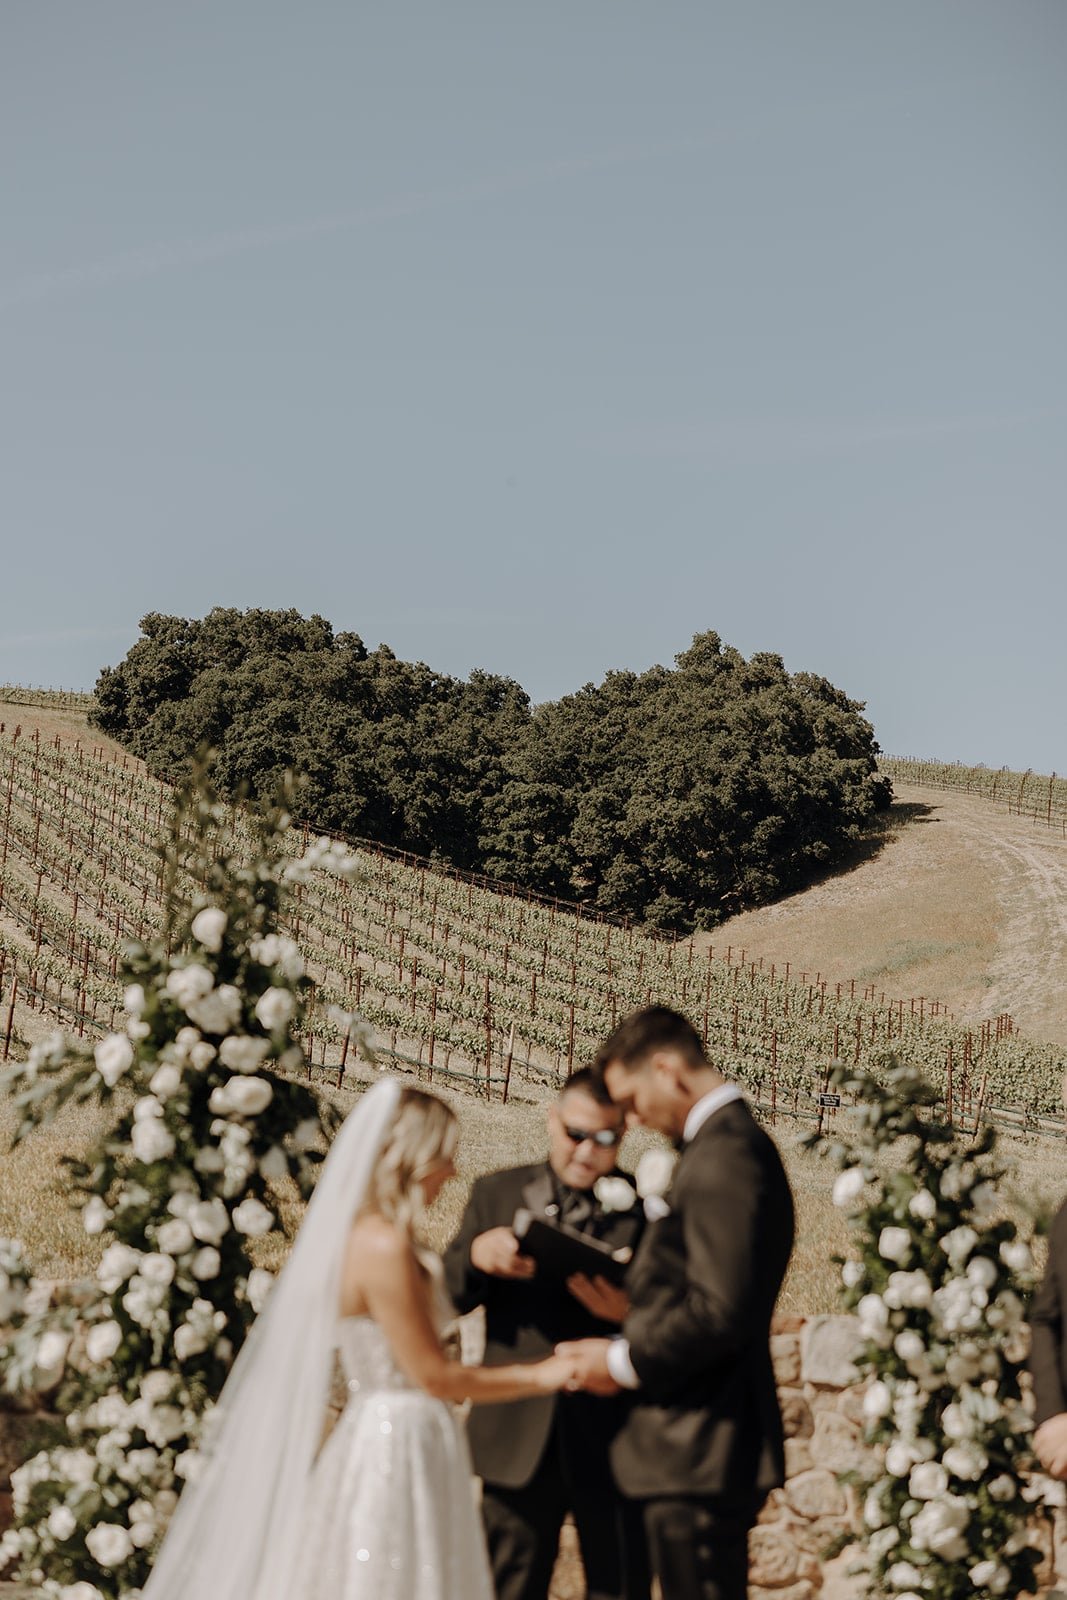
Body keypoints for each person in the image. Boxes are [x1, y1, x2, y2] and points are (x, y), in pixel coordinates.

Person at [142, 1079, 578, 1600]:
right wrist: (544, 1374)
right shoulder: (380, 1245)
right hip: (396, 1439)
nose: (453, 1170)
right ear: (408, 1156)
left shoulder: (378, 1237)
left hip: (407, 1434)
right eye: (445, 1153)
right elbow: (433, 1375)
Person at [559, 1007, 795, 1600]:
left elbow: (719, 1310)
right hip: (689, 1449)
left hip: (701, 1446)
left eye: (632, 1101)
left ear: (667, 1069)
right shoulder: (719, 1148)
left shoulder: (726, 1155)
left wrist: (618, 1362)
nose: (632, 1120)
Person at [444, 1067, 649, 1600]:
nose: (586, 1151)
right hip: (516, 1431)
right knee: (504, 1587)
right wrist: (477, 1256)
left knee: (620, 1585)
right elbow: (447, 1297)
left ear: (623, 1135)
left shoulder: (648, 1211)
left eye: (604, 1139)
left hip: (614, 1436)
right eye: (575, 1134)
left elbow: (677, 1318)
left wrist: (630, 1313)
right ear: (552, 1119)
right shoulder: (497, 1191)